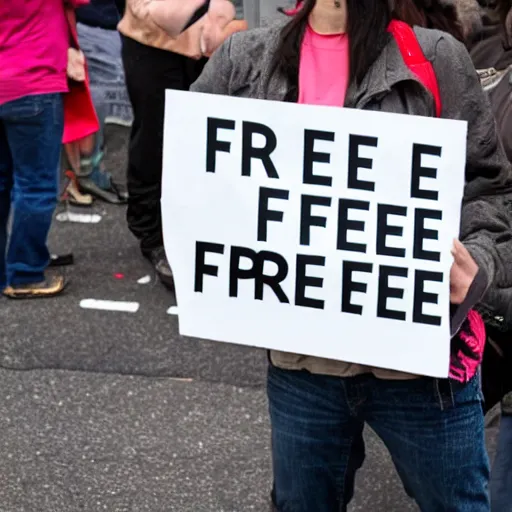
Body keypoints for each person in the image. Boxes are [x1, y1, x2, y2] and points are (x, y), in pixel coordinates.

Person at [190, 0, 512, 509]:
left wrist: (478, 259)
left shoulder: (434, 59)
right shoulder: (245, 59)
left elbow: (490, 192)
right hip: (304, 367)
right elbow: (193, 172)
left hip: (422, 371)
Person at [118, 0, 240, 288]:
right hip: (153, 42)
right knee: (155, 139)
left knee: (208, 142)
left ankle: (195, 226)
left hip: (213, 46)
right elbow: (152, 12)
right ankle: (151, 234)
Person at [0, 0, 89, 299]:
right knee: (35, 185)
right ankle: (24, 273)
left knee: (3, 184)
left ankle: (6, 270)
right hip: (34, 80)